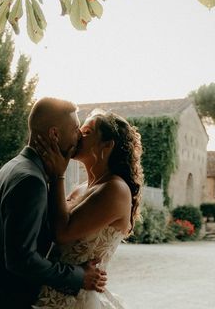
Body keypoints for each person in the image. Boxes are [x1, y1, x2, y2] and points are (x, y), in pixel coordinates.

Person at [0, 98, 108, 309]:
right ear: (54, 134)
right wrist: (78, 276)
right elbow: (21, 259)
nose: (79, 136)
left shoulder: (17, 167)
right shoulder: (31, 181)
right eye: (76, 129)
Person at [33, 111, 144, 308]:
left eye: (86, 132)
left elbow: (62, 232)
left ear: (107, 145)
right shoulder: (82, 189)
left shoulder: (115, 189)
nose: (77, 135)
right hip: (54, 289)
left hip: (76, 300)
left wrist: (58, 175)